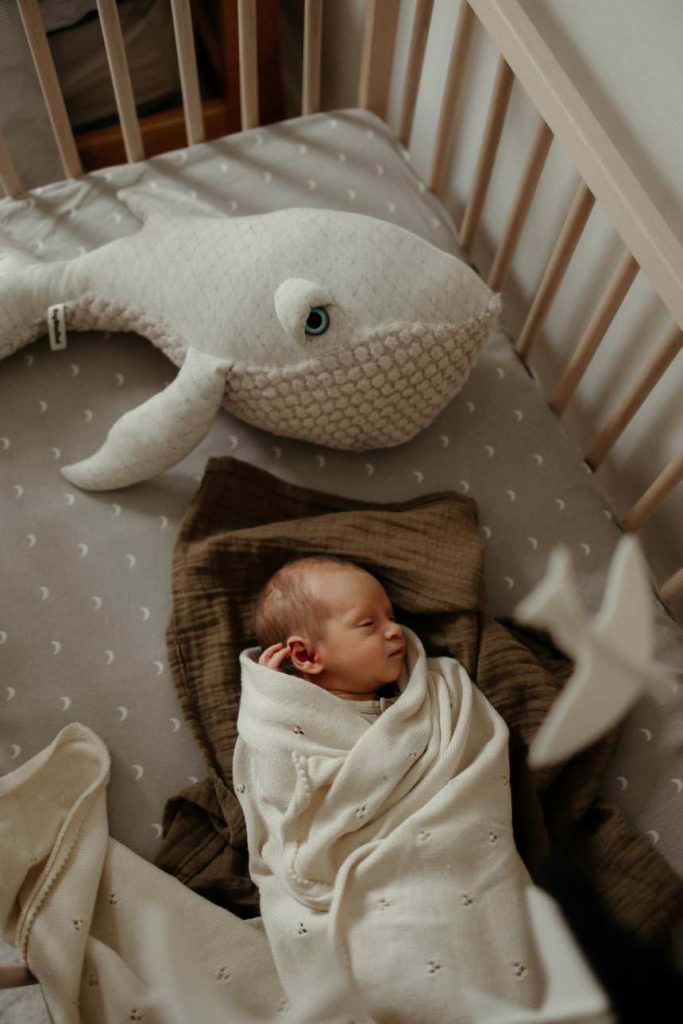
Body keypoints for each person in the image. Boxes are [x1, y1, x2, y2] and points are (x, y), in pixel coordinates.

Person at [255, 555, 405, 720]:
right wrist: (273, 698)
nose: (395, 629)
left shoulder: (421, 690)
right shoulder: (291, 721)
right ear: (306, 655)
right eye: (367, 624)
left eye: (391, 618)